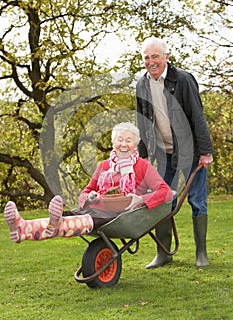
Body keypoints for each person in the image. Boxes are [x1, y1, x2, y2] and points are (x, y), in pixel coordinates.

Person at [4, 122, 173, 244]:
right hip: (98, 207)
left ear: (136, 145)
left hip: (123, 216)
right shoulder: (104, 166)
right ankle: (23, 229)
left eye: (129, 140)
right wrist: (89, 197)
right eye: (120, 139)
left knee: (88, 218)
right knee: (72, 215)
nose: (123, 144)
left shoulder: (143, 166)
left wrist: (140, 200)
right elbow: (86, 192)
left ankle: (47, 225)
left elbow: (165, 191)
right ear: (113, 143)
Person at [136, 37, 213, 268]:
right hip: (164, 153)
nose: (151, 62)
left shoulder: (183, 80)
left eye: (155, 56)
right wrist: (141, 156)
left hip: (190, 151)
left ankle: (201, 254)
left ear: (166, 57)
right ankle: (164, 253)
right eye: (147, 58)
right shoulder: (142, 85)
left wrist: (206, 151)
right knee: (162, 201)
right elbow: (143, 122)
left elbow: (197, 116)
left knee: (197, 200)